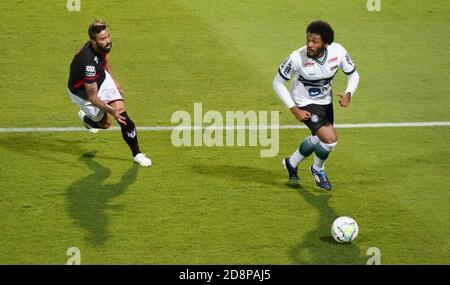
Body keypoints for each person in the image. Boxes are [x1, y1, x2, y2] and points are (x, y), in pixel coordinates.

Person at [272, 20, 360, 191]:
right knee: (330, 139)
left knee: (319, 139)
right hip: (303, 103)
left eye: (314, 42)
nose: (309, 45)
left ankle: (291, 162)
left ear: (325, 43)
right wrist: (294, 109)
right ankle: (317, 169)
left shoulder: (338, 52)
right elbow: (277, 83)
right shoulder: (297, 58)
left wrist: (349, 93)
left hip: (325, 102)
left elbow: (354, 75)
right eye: (308, 41)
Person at [67, 20, 151, 167]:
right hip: (83, 93)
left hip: (100, 78)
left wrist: (114, 80)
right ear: (93, 41)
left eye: (108, 37)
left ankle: (137, 153)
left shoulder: (98, 47)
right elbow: (93, 97)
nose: (108, 41)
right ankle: (88, 119)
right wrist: (112, 111)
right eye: (103, 39)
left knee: (122, 115)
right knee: (105, 124)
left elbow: (104, 59)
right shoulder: (89, 64)